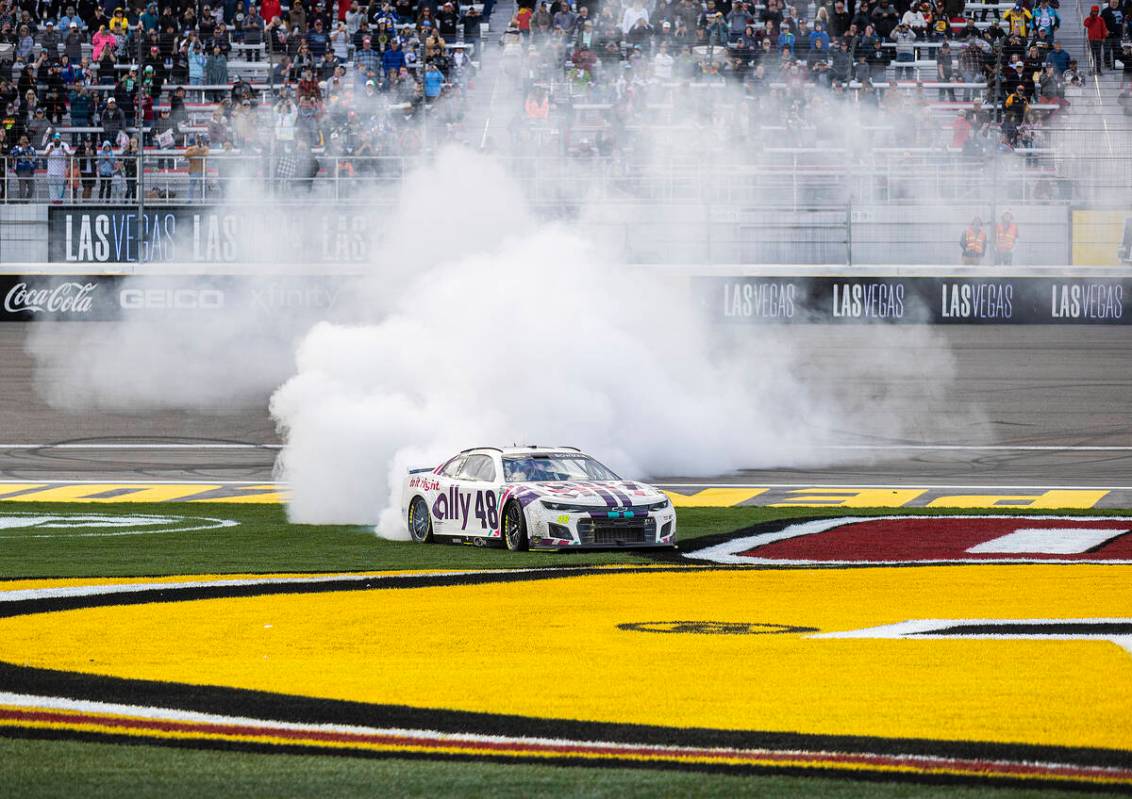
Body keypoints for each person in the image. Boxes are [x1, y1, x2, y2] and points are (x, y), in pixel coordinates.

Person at [43, 132, 74, 202]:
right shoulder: (49, 145)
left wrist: (64, 151)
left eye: (58, 138)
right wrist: (50, 151)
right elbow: (44, 155)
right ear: (53, 139)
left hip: (61, 173)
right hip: (51, 173)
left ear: (60, 139)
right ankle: (53, 205)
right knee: (52, 191)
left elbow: (70, 156)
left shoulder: (64, 145)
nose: (57, 140)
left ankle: (59, 205)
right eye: (55, 139)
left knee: (60, 191)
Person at [10, 134, 36, 200]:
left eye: (26, 142)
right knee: (22, 188)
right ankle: (22, 202)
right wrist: (21, 150)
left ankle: (26, 201)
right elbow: (12, 154)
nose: (25, 143)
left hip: (30, 170)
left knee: (31, 188)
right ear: (20, 142)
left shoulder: (31, 148)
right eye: (23, 141)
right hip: (21, 169)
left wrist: (31, 159)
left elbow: (35, 158)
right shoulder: (16, 147)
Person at [1083, 5, 1108, 74]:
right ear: (1091, 11)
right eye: (1093, 11)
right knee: (1091, 55)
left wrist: (1103, 37)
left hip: (1098, 40)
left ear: (1098, 11)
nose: (1095, 13)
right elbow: (1085, 24)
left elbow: (1103, 29)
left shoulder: (1100, 19)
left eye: (1096, 11)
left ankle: (1099, 70)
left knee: (1098, 55)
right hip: (1091, 40)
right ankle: (1092, 69)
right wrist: (1091, 18)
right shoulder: (1088, 19)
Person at [184, 135, 209, 201]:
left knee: (203, 186)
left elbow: (206, 154)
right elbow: (186, 154)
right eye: (198, 140)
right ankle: (189, 199)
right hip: (194, 170)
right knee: (191, 185)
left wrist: (197, 151)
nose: (199, 142)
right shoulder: (192, 148)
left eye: (200, 140)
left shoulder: (205, 148)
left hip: (203, 170)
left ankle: (204, 199)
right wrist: (196, 150)